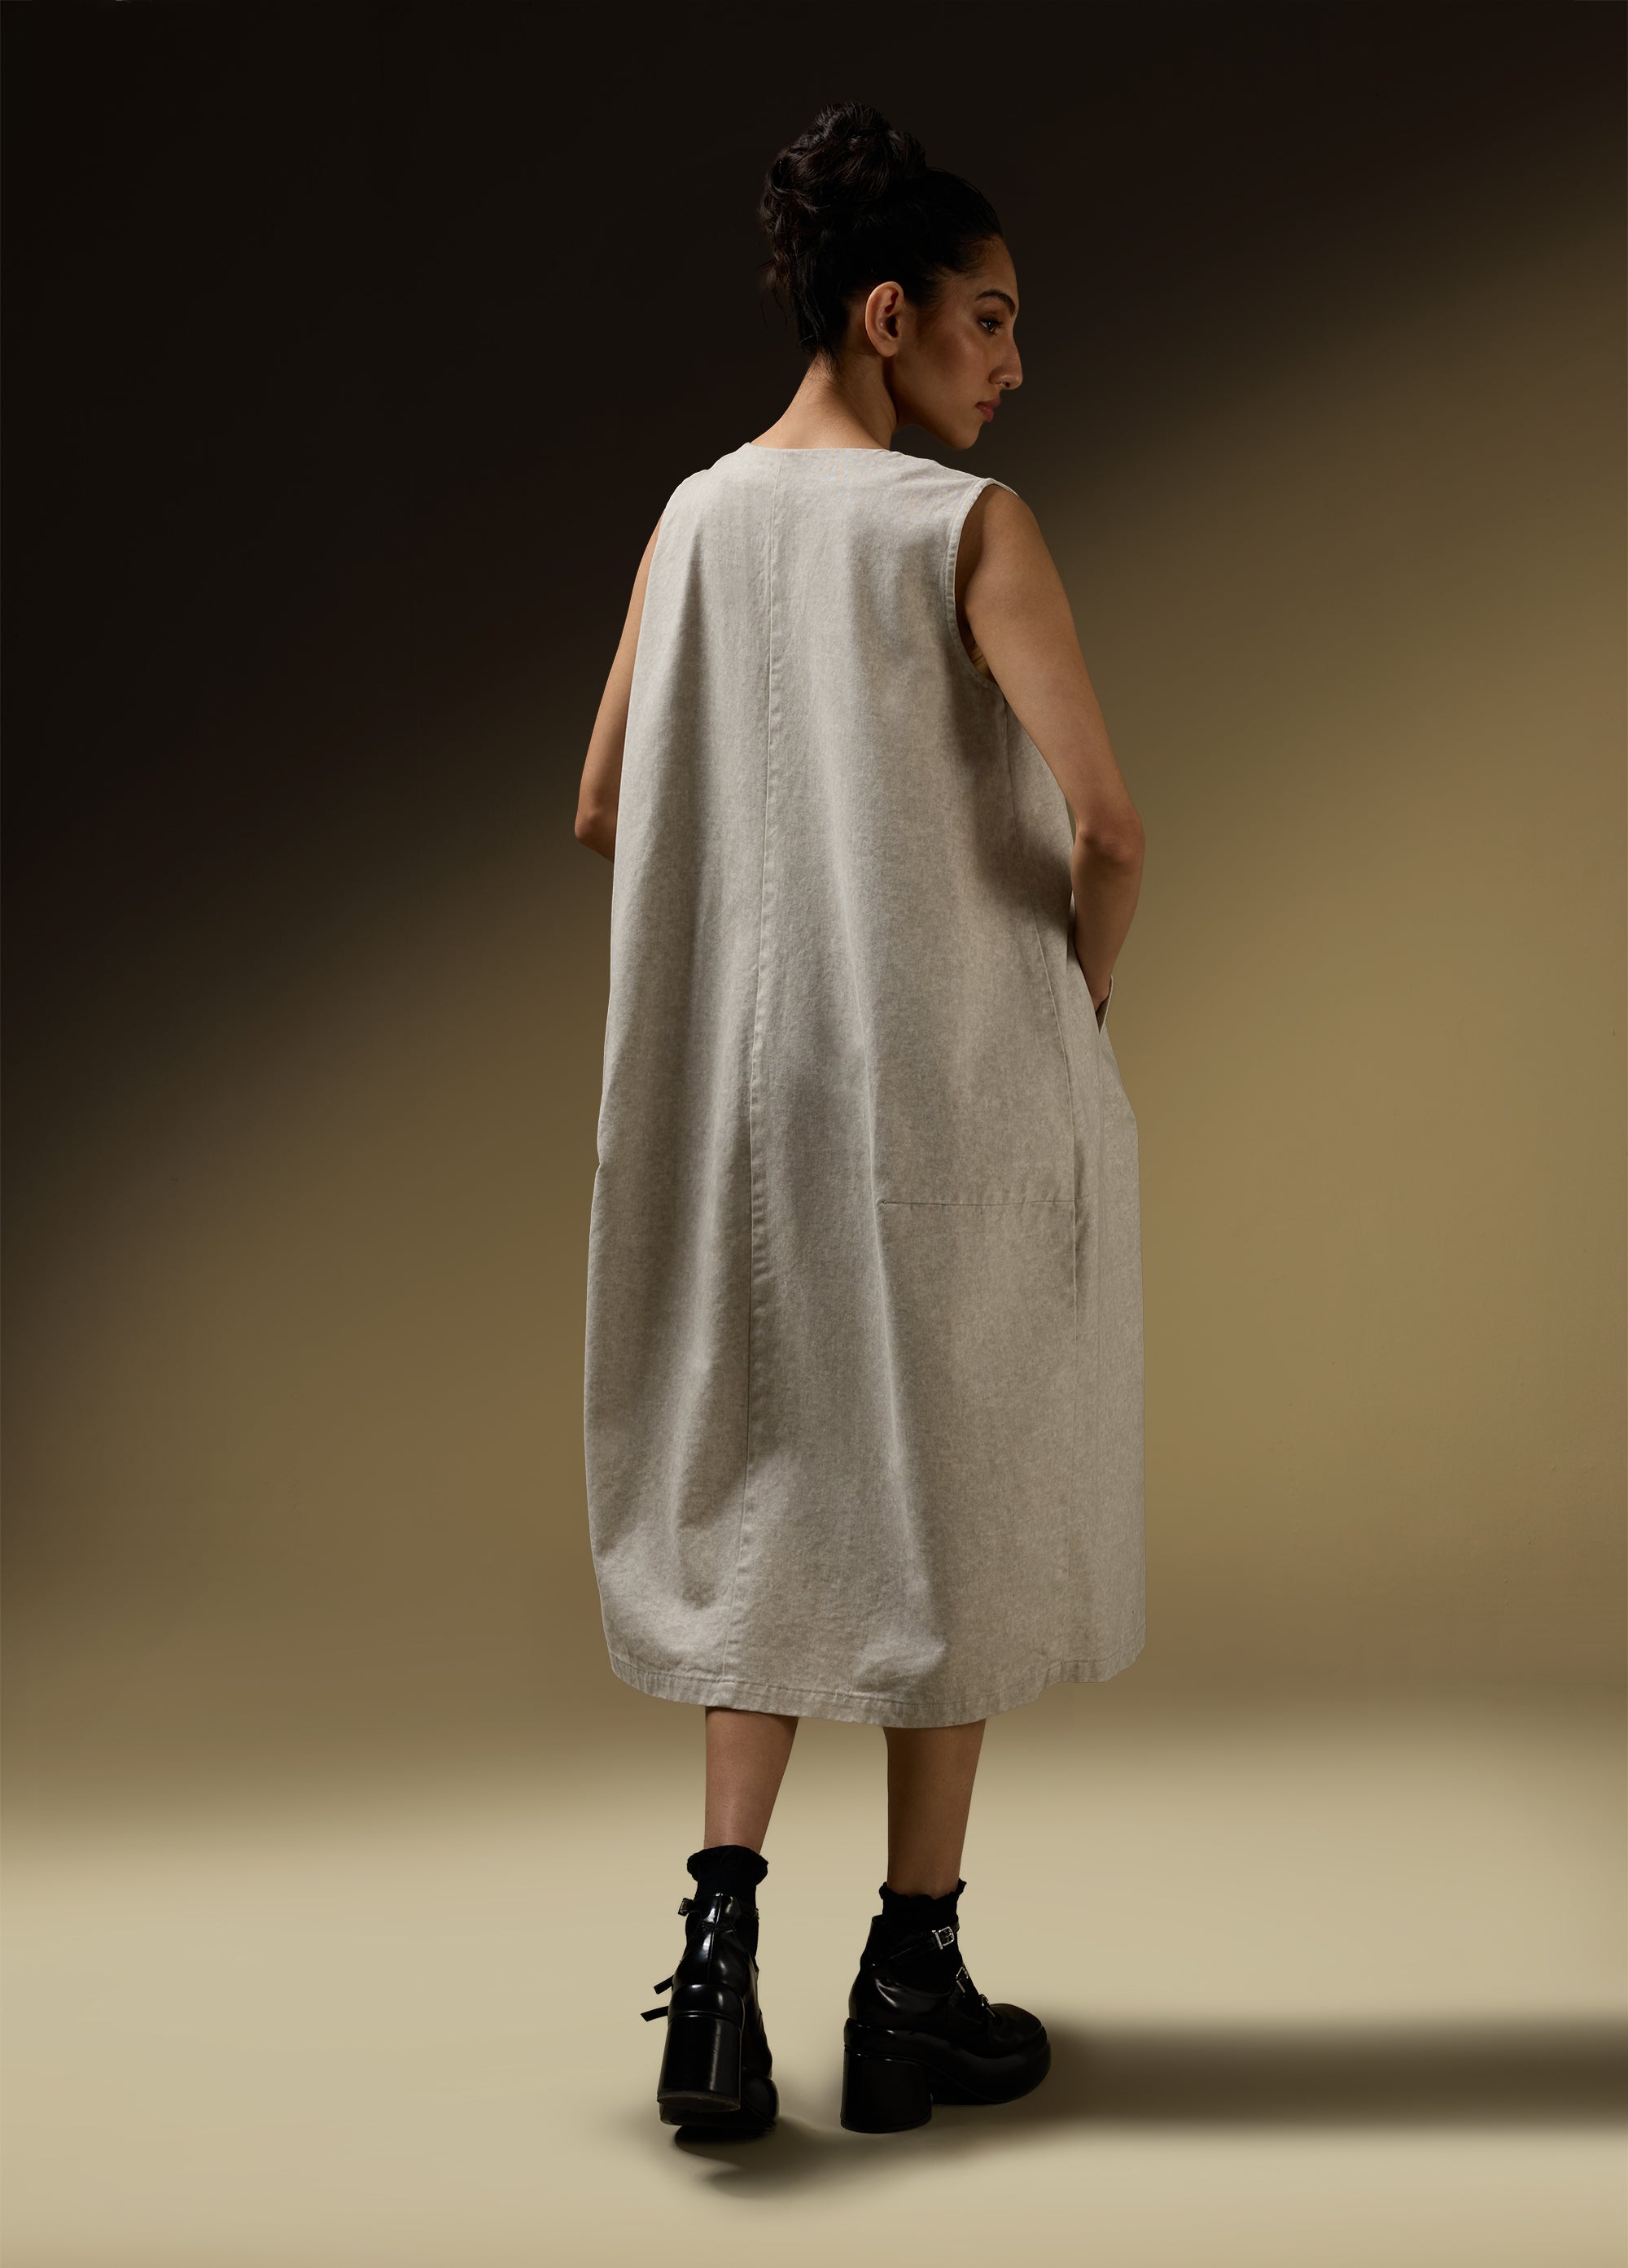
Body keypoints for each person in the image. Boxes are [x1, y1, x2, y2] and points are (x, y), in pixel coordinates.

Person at [575, 99, 1144, 2139]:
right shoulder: (961, 528)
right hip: (938, 1097)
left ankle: (713, 1975)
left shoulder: (692, 518)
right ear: (885, 315)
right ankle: (909, 1978)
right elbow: (1108, 827)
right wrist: (1066, 1008)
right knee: (946, 1502)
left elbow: (604, 801)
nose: (1013, 362)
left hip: (737, 1105)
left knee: (763, 1490)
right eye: (989, 319)